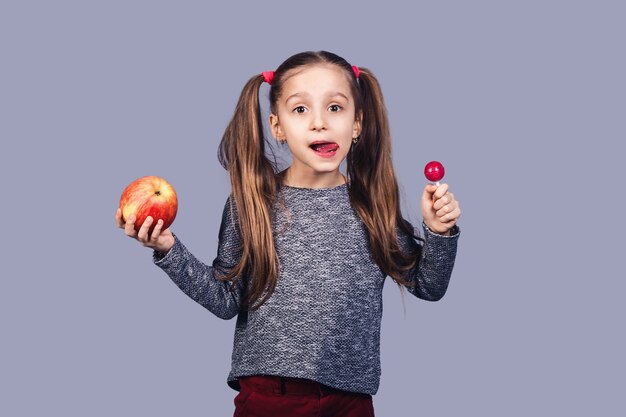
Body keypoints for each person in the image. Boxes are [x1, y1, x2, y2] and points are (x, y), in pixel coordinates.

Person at [115, 50, 461, 417]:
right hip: (269, 398)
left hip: (351, 403)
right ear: (277, 126)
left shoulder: (373, 207)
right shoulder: (251, 203)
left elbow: (429, 286)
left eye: (335, 108)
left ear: (356, 124)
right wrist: (168, 249)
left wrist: (440, 232)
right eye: (300, 110)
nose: (319, 124)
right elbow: (224, 300)